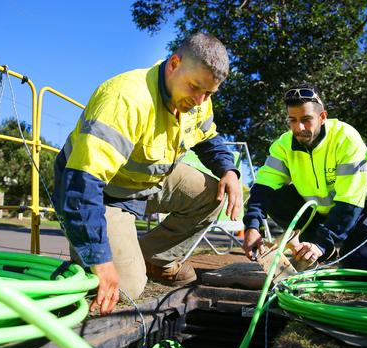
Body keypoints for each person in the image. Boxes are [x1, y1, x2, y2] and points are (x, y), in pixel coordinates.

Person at [54, 33, 242, 315]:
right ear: (174, 64)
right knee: (126, 288)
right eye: (195, 88)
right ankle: (90, 267)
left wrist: (229, 170)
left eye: (210, 93)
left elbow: (207, 138)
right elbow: (81, 187)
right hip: (104, 193)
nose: (201, 99)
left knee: (213, 196)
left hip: (148, 180)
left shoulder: (199, 99)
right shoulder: (126, 99)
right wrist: (100, 259)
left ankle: (155, 258)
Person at [242, 83, 367, 272]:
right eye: (292, 120)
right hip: (315, 214)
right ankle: (319, 249)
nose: (299, 127)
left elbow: (350, 201)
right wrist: (252, 226)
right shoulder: (283, 144)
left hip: (354, 211)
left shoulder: (347, 139)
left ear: (322, 117)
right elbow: (263, 186)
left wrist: (321, 243)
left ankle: (322, 247)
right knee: (274, 197)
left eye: (306, 119)